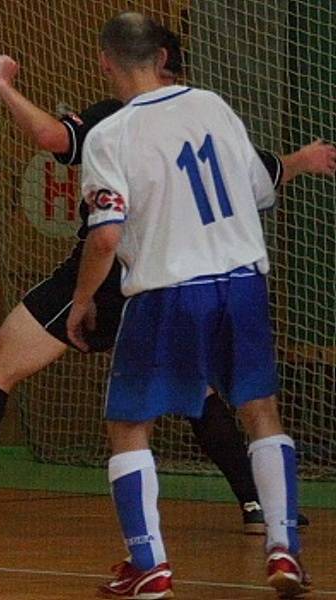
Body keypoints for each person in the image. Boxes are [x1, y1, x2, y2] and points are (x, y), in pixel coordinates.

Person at [0, 29, 336, 534]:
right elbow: (260, 173)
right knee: (197, 391)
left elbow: (53, 143)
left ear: (112, 63)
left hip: (113, 276)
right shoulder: (208, 115)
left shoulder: (118, 120)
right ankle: (260, 505)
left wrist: (2, 85)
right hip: (194, 280)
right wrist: (303, 161)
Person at [65, 12, 313, 598]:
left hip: (168, 291)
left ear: (105, 62)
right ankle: (284, 550)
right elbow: (258, 189)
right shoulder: (213, 105)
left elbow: (104, 235)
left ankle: (149, 564)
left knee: (128, 425)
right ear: (164, 57)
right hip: (244, 282)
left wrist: (80, 301)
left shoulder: (110, 135)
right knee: (260, 411)